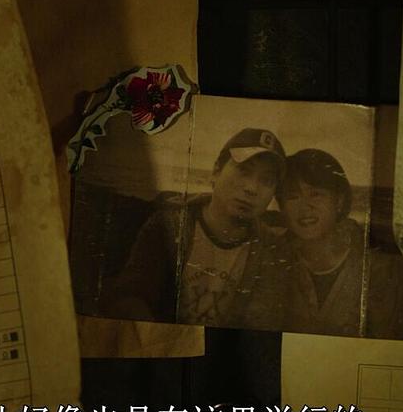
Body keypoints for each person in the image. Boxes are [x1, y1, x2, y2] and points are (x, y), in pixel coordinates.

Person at [101, 128, 297, 330]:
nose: (252, 188)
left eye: (266, 181)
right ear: (216, 171)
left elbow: (264, 323)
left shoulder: (273, 251)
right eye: (244, 171)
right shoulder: (168, 226)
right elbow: (130, 297)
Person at [275, 148, 365, 335]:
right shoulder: (273, 259)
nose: (305, 206)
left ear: (339, 201)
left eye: (315, 194)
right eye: (292, 196)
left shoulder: (375, 261)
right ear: (282, 208)